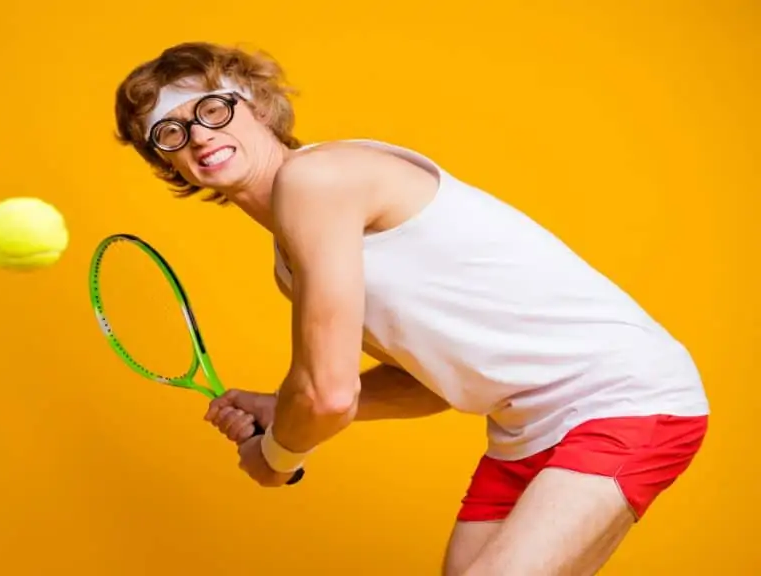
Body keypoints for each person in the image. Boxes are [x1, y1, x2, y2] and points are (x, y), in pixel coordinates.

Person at [112, 42, 710, 575]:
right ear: (169, 164)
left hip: (621, 396)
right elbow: (425, 384)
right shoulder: (290, 265)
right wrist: (278, 406)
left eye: (213, 110)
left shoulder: (319, 179)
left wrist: (277, 454)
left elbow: (326, 394)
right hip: (523, 430)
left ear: (258, 108)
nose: (198, 135)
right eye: (170, 132)